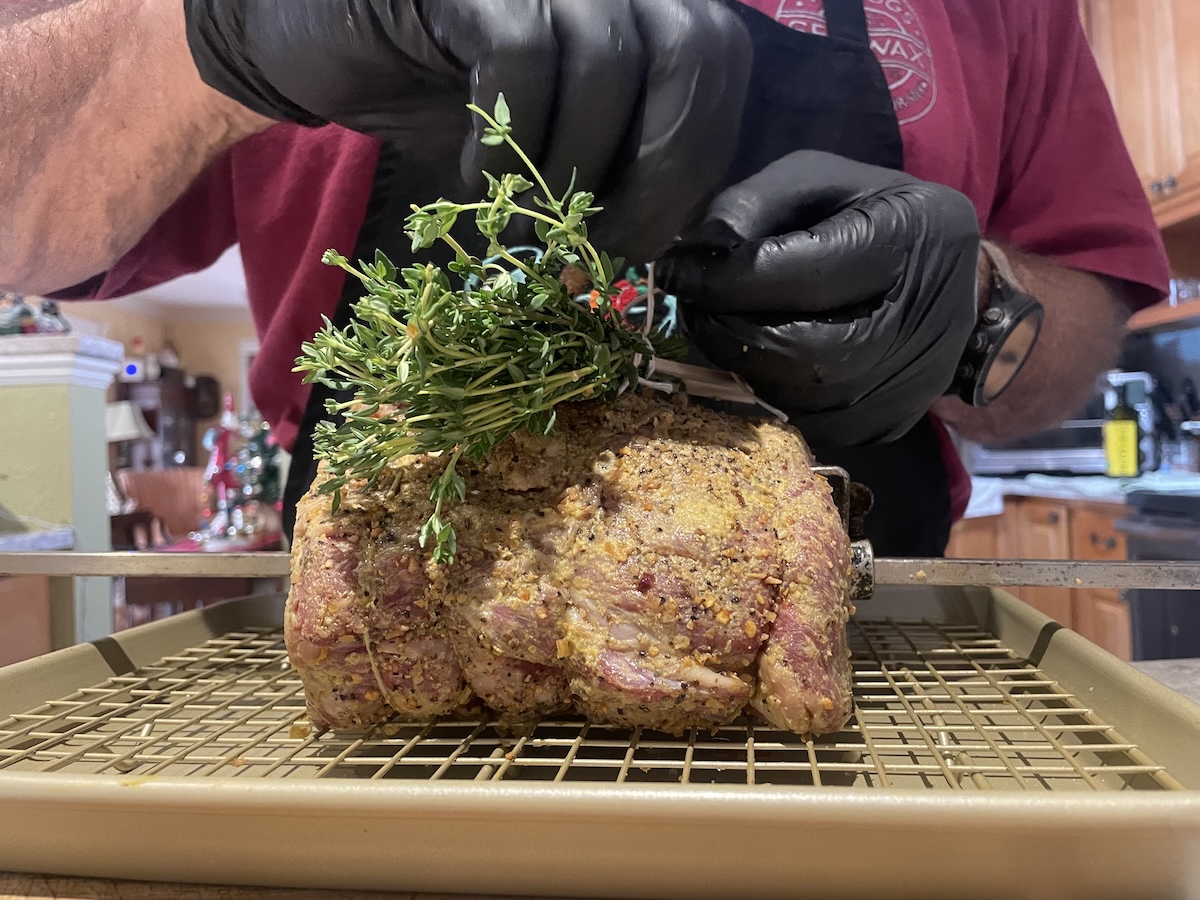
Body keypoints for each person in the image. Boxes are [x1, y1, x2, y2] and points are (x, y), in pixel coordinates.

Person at [1, 0, 1169, 556]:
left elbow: (1079, 327)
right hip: (391, 671)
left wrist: (976, 312)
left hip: (860, 678)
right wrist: (212, 38)